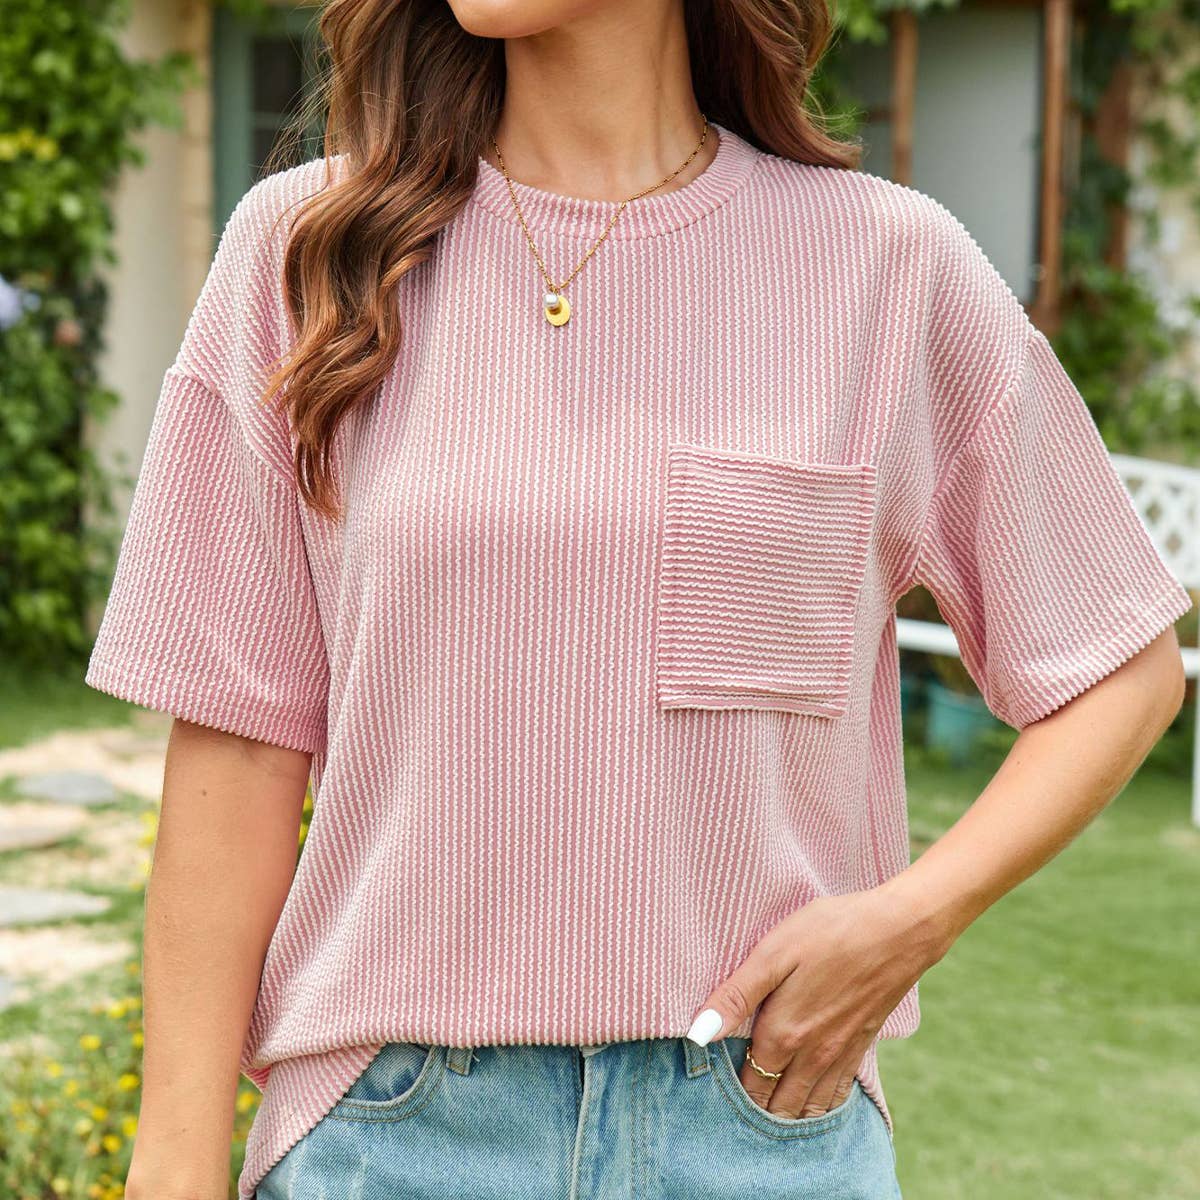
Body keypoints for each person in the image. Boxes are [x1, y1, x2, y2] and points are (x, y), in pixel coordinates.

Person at [85, 0, 1193, 1197]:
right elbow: (241, 750)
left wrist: (912, 919)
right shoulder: (307, 252)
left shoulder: (886, 268)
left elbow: (1118, 668)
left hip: (761, 1133)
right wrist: (174, 1167)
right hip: (392, 1140)